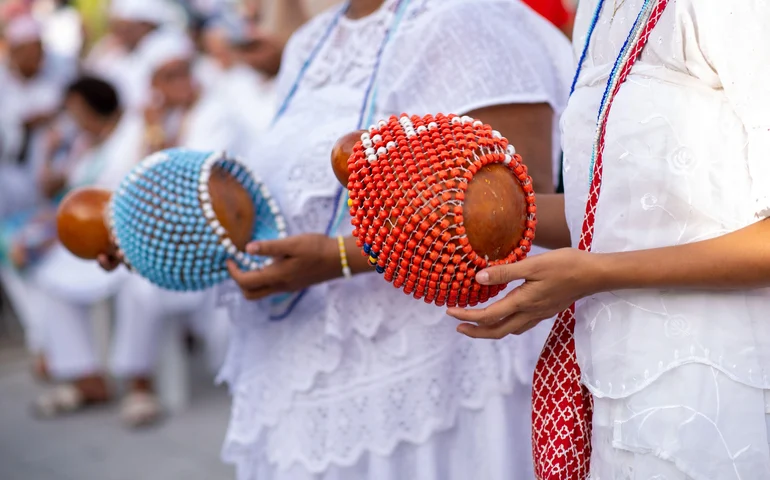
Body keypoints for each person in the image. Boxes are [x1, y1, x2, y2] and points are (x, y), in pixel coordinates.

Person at [207, 0, 572, 478]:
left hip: (428, 368)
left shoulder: (466, 20)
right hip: (304, 357)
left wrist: (342, 257)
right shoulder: (310, 42)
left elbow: (511, 215)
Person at [447, 1, 770, 478]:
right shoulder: (596, 11)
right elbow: (607, 212)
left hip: (714, 385)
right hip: (614, 378)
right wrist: (461, 211)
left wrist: (595, 274)